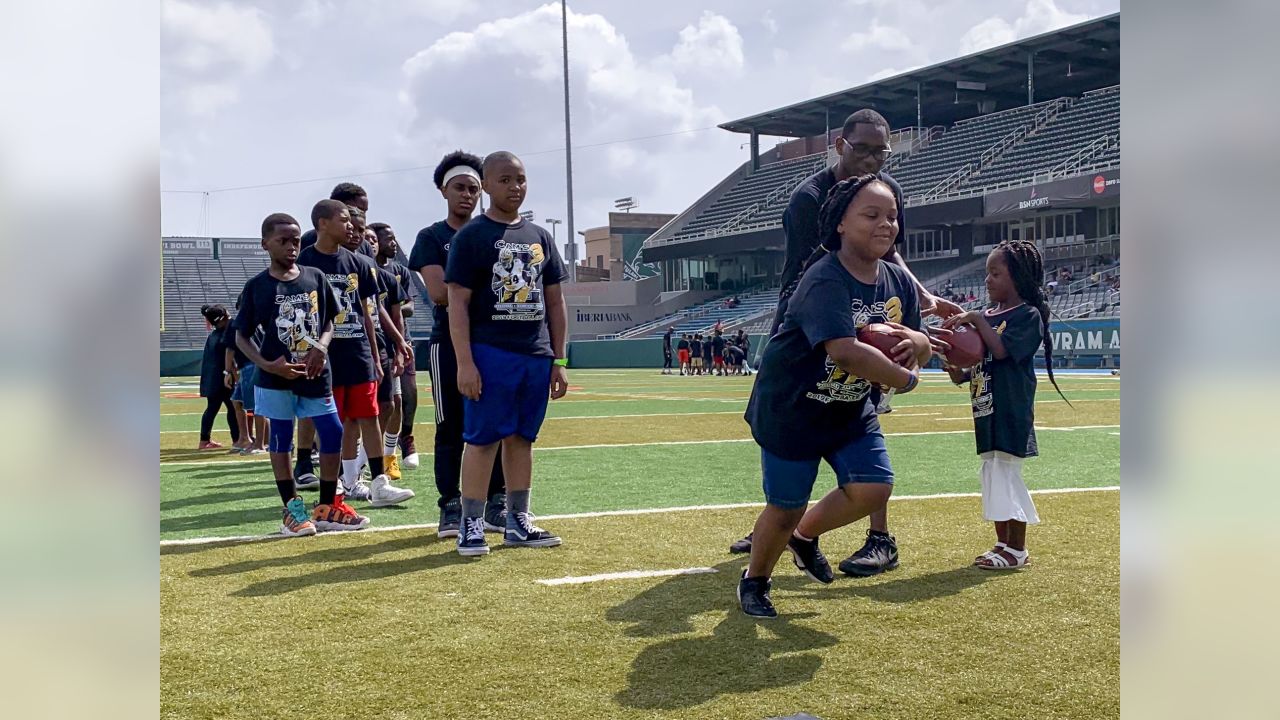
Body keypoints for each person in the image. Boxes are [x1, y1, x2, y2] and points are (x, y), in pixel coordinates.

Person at [732, 109, 961, 567]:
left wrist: (922, 297)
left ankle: (879, 537)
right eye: (864, 149)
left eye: (882, 151)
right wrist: (840, 322)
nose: (873, 160)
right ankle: (783, 519)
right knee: (800, 416)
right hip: (819, 319)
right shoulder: (809, 198)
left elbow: (889, 254)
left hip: (870, 315)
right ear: (840, 144)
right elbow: (809, 270)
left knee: (867, 418)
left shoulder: (886, 192)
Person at [737, 176, 933, 618]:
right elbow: (844, 350)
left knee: (874, 486)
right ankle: (755, 581)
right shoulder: (824, 278)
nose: (886, 225)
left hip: (848, 407)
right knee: (785, 507)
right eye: (872, 215)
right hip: (793, 409)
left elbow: (917, 339)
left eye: (892, 216)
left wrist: (920, 349)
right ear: (841, 222)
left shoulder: (898, 280)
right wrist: (907, 380)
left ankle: (804, 538)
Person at [444, 150, 568, 557]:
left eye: (521, 178)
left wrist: (559, 359)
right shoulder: (472, 237)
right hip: (490, 352)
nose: (515, 187)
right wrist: (465, 362)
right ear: (486, 186)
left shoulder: (540, 236)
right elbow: (457, 303)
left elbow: (555, 301)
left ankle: (518, 520)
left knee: (522, 439)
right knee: (482, 440)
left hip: (534, 354)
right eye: (505, 180)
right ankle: (471, 523)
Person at [938, 240, 1069, 570]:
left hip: (1011, 408)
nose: (988, 280)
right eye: (987, 273)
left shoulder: (1027, 315)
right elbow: (972, 370)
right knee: (992, 475)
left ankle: (1018, 548)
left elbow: (1001, 351)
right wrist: (955, 366)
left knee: (1007, 474)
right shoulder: (991, 316)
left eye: (995, 273)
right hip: (986, 408)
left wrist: (977, 320)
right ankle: (1002, 542)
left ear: (1018, 277)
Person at [233, 212, 365, 535]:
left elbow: (331, 321)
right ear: (266, 244)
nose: (292, 247)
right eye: (283, 241)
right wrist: (268, 365)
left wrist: (321, 347)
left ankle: (326, 507)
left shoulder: (314, 276)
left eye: (295, 240)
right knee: (281, 440)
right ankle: (293, 510)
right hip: (276, 379)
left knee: (332, 433)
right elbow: (241, 336)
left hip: (316, 376)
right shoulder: (257, 287)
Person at [409, 150, 509, 538]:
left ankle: (496, 501)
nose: (467, 195)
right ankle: (451, 504)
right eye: (459, 188)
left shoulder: (495, 232)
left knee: (498, 422)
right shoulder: (433, 237)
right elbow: (438, 293)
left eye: (473, 188)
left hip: (494, 341)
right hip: (448, 343)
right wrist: (484, 296)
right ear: (443, 191)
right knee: (450, 424)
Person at [298, 199, 413, 507]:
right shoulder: (305, 262)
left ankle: (379, 483)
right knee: (331, 422)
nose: (350, 226)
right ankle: (334, 485)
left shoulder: (358, 263)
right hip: (325, 354)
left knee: (369, 416)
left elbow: (367, 314)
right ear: (323, 223)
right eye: (344, 220)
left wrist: (375, 357)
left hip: (358, 350)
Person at [370, 222, 419, 479]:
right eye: (387, 238)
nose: (394, 243)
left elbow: (406, 306)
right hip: (370, 343)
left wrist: (396, 307)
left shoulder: (398, 271)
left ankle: (396, 450)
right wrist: (394, 306)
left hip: (398, 341)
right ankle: (365, 460)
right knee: (370, 406)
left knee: (400, 398)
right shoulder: (365, 271)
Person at [224, 292, 267, 455]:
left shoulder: (237, 323)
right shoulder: (257, 323)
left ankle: (259, 444)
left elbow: (230, 349)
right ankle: (245, 438)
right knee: (237, 401)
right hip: (249, 367)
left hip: (250, 366)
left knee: (256, 406)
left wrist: (227, 372)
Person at [198, 305, 240, 450]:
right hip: (221, 378)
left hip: (212, 378)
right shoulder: (224, 335)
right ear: (220, 320)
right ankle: (237, 439)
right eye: (227, 317)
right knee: (233, 408)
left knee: (213, 408)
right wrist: (233, 376)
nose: (230, 319)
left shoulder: (213, 336)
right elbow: (228, 359)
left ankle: (204, 440)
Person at [300, 182, 375, 258]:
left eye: (364, 211)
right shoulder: (310, 239)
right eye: (357, 208)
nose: (361, 213)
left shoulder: (364, 246)